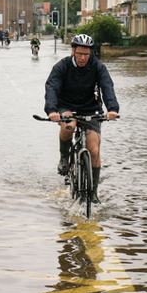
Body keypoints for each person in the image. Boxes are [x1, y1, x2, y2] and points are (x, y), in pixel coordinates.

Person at [44, 33, 119, 203]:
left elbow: (107, 87)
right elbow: (52, 87)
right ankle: (64, 157)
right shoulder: (62, 66)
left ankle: (93, 193)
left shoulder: (98, 67)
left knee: (94, 150)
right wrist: (52, 110)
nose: (83, 58)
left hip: (90, 108)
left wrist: (112, 109)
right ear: (73, 51)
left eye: (86, 54)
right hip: (66, 106)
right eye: (80, 54)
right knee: (68, 125)